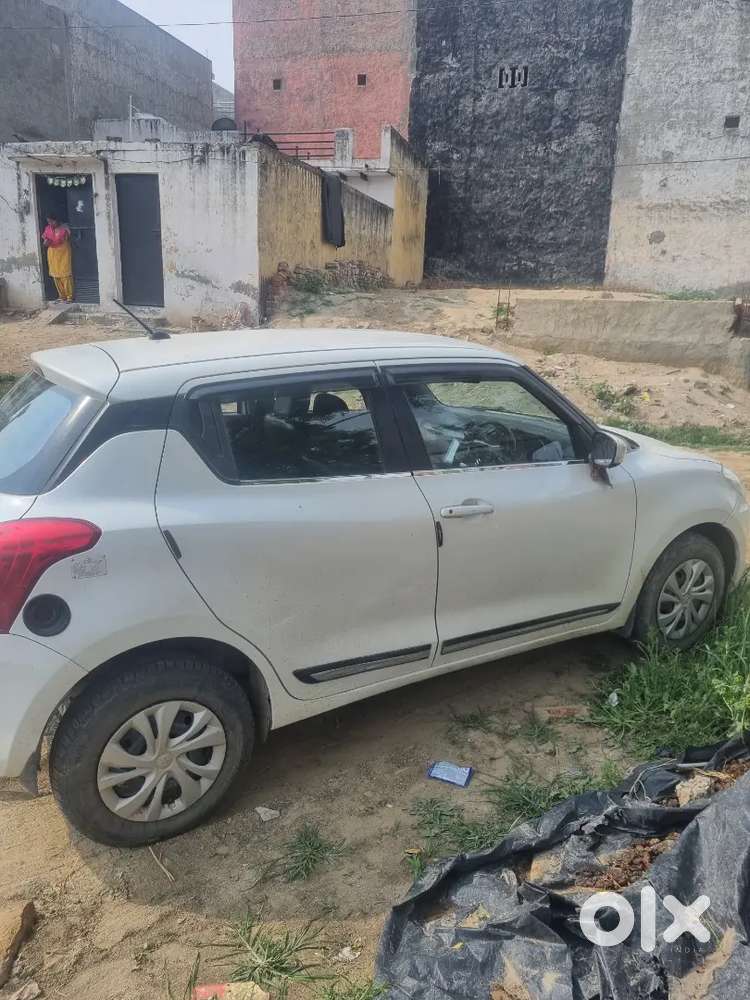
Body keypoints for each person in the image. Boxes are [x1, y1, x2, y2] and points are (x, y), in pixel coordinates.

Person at [41, 215, 74, 303]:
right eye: (49, 222)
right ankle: (61, 296)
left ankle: (69, 296)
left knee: (65, 275)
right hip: (52, 254)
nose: (50, 224)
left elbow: (61, 239)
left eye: (52, 221)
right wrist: (46, 242)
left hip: (63, 252)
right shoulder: (48, 229)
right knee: (55, 275)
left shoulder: (64, 228)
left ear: (57, 220)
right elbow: (45, 240)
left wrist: (51, 241)